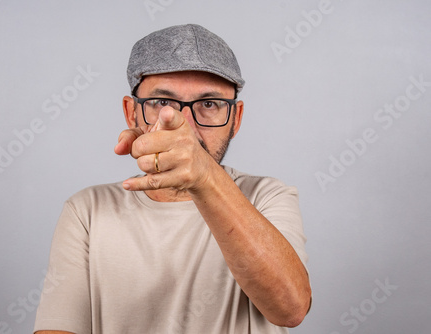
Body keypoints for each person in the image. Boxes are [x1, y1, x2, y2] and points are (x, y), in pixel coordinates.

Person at [33, 24, 311, 334]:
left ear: (236, 119)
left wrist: (204, 175)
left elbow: (291, 309)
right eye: (163, 103)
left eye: (209, 104)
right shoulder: (87, 210)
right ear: (132, 113)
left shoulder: (267, 196)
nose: (185, 127)